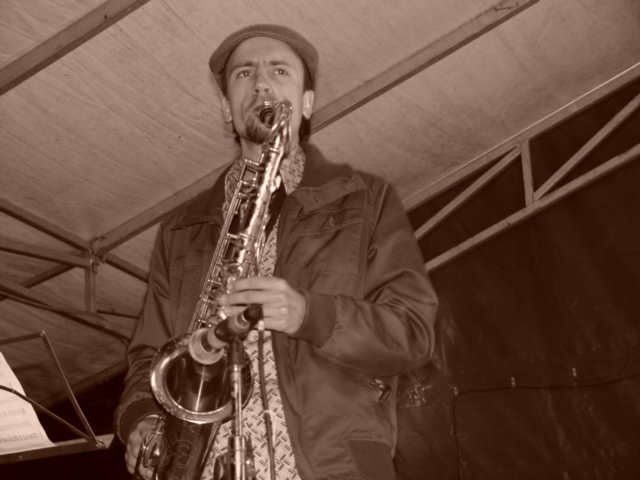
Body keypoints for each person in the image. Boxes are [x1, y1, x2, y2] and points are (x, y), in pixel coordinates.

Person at [114, 24, 438, 480]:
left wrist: (309, 313)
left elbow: (413, 333)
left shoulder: (367, 199)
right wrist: (142, 419)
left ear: (306, 103)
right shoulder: (181, 228)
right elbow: (151, 354)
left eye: (279, 71)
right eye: (244, 73)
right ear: (226, 107)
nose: (261, 83)